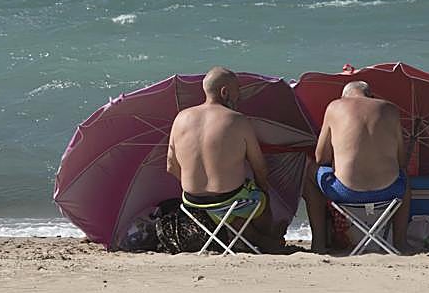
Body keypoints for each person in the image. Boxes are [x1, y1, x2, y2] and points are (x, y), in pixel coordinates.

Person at [166, 66, 284, 251]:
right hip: (230, 201)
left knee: (240, 197)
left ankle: (245, 234)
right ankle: (265, 240)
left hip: (192, 202)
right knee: (260, 198)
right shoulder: (237, 120)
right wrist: (263, 189)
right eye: (238, 91)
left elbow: (171, 166)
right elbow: (260, 168)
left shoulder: (181, 118)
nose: (240, 97)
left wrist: (197, 184)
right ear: (224, 91)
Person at [302, 81, 410, 253]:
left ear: (344, 97)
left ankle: (319, 244)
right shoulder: (390, 109)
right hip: (389, 191)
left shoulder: (335, 107)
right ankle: (400, 242)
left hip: (346, 192)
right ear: (371, 96)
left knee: (310, 173)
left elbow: (320, 157)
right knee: (404, 179)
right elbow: (401, 161)